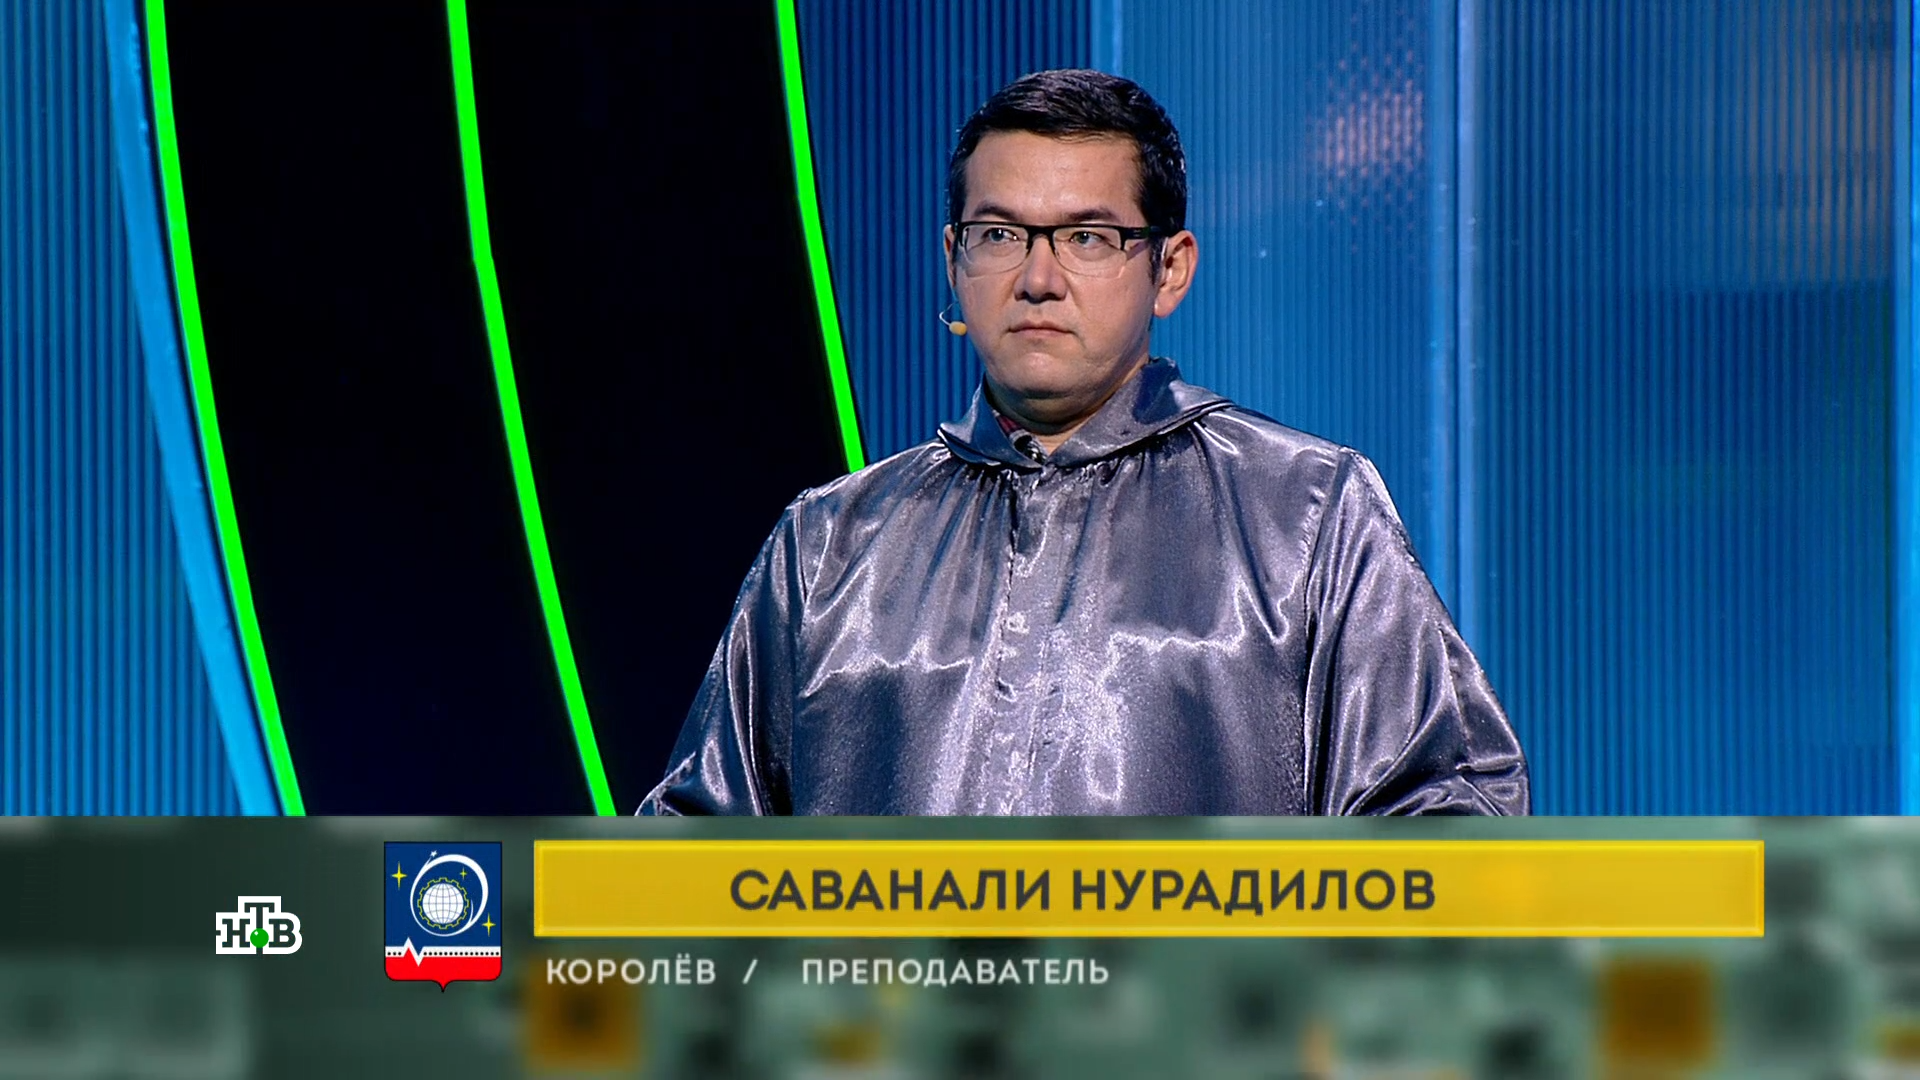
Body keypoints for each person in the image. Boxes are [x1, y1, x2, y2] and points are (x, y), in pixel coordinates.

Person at [639, 69, 1528, 816]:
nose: (1037, 278)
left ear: (1169, 269)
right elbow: (692, 864)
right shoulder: (830, 542)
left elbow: (1447, 824)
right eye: (999, 235)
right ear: (953, 261)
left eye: (1087, 238)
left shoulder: (1308, 513)